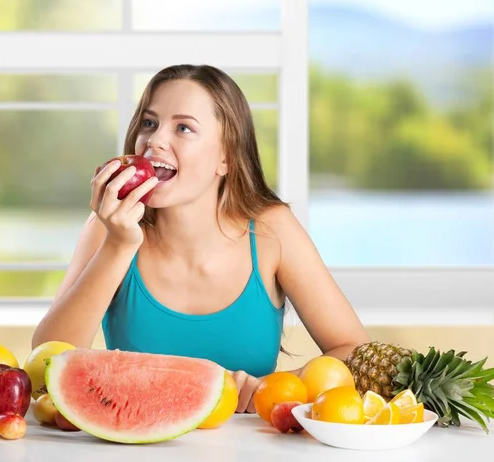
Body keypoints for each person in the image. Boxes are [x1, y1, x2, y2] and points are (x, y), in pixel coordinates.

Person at [32, 64, 370, 414]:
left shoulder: (273, 231)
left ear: (225, 157)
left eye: (183, 127)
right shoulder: (108, 227)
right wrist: (118, 245)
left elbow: (353, 350)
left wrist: (277, 388)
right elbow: (48, 361)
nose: (155, 140)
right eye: (149, 123)